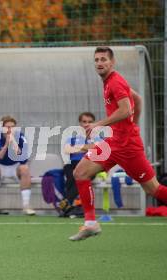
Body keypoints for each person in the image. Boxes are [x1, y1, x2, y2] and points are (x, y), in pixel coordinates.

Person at [69, 46, 167, 241]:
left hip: (128, 147)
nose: (99, 63)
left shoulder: (115, 82)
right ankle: (90, 224)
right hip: (114, 142)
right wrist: (133, 125)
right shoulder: (109, 82)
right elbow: (136, 100)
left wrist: (99, 124)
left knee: (153, 189)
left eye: (103, 59)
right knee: (80, 173)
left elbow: (125, 110)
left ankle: (90, 223)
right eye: (96, 60)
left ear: (112, 63)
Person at [0, 116, 35, 216]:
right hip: (0, 166)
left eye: (12, 127)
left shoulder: (20, 137)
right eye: (7, 127)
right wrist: (5, 145)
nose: (10, 129)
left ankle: (26, 205)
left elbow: (23, 159)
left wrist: (13, 143)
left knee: (25, 168)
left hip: (15, 166)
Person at [60, 112, 97, 214]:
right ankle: (72, 205)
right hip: (72, 163)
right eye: (84, 121)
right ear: (80, 123)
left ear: (94, 123)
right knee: (71, 175)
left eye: (90, 122)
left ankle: (66, 202)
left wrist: (77, 147)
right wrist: (87, 148)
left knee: (82, 175)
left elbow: (96, 149)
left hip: (89, 164)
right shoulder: (73, 136)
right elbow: (67, 149)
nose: (87, 124)